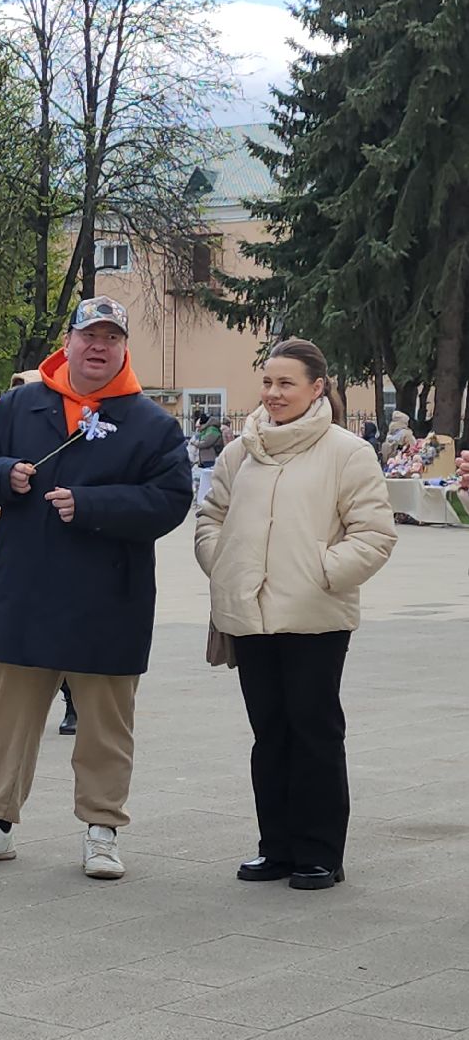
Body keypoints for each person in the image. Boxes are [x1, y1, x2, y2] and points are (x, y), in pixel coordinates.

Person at [0, 296, 190, 879]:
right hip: (26, 594)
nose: (98, 347)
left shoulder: (152, 423)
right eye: (89, 336)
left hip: (110, 599)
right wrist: (5, 475)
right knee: (8, 719)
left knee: (107, 725)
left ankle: (102, 829)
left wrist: (93, 505)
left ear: (124, 348)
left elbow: (172, 501)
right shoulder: (18, 406)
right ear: (70, 342)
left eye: (111, 338)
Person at [196, 339, 395, 891]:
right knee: (270, 733)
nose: (273, 393)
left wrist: (321, 573)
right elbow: (211, 517)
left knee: (314, 731)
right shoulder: (240, 451)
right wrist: (224, 564)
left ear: (316, 388)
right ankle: (277, 847)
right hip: (249, 614)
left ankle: (319, 851)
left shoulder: (347, 451)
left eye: (286, 383)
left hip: (315, 618)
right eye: (267, 382)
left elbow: (375, 534)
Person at [190, 409, 226, 508]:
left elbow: (206, 443)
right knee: (203, 481)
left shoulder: (212, 430)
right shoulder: (206, 430)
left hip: (211, 458)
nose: (198, 428)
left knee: (210, 481)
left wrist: (195, 443)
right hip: (205, 458)